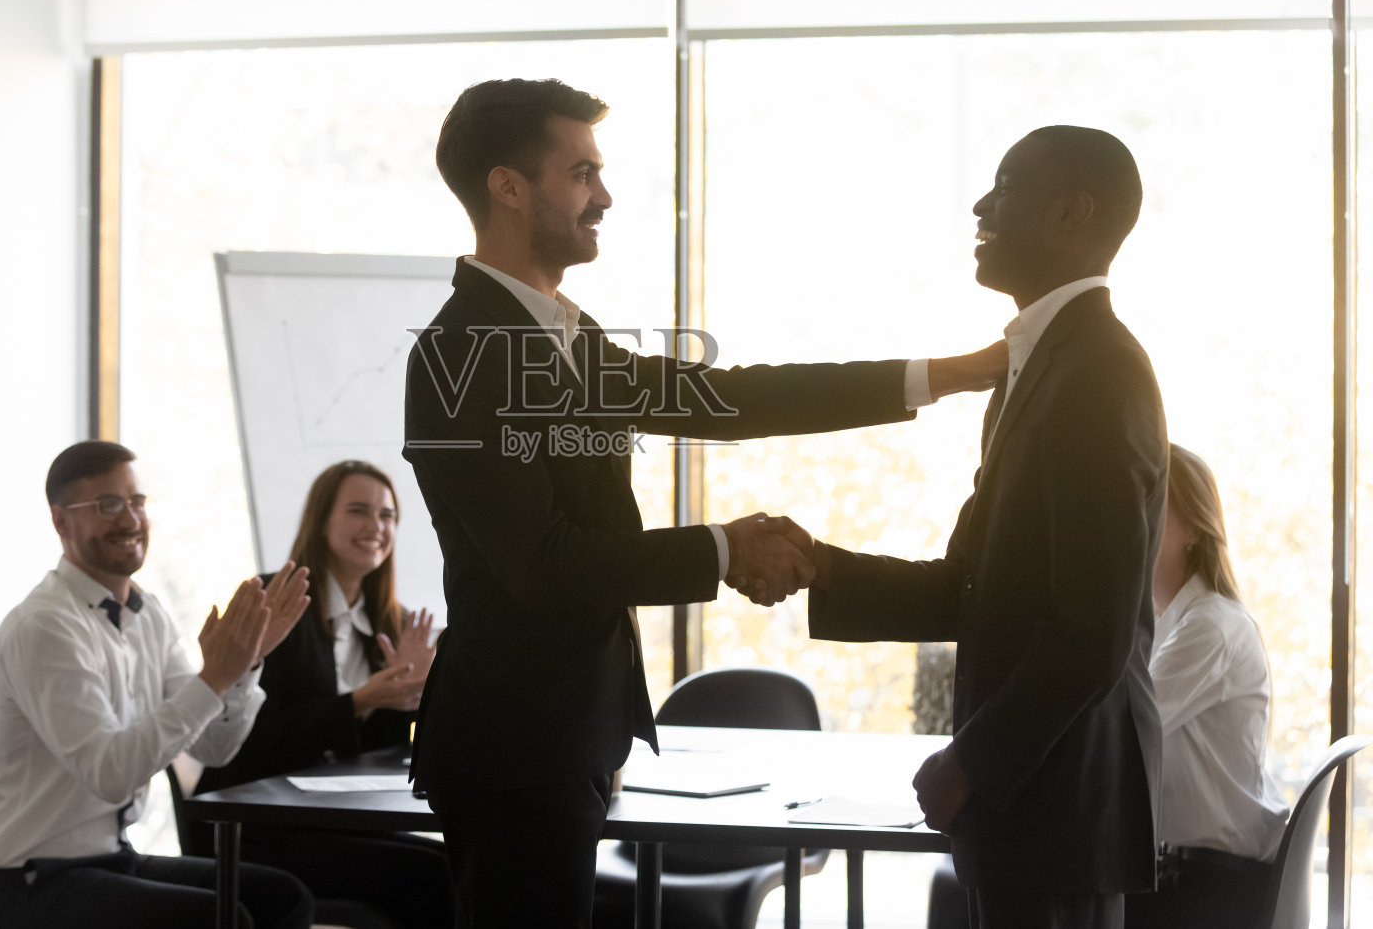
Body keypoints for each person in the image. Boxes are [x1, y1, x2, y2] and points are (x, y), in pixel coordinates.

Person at [402, 77, 1007, 926]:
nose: (604, 196)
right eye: (581, 174)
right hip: (513, 750)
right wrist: (724, 549)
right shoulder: (456, 353)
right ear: (507, 186)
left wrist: (948, 375)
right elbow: (543, 565)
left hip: (566, 738)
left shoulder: (567, 335)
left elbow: (731, 398)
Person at [785, 126, 1167, 929]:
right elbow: (974, 584)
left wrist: (972, 761)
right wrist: (824, 568)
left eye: (1004, 184)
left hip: (1056, 807)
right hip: (1031, 811)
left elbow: (1093, 627)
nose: (980, 204)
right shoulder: (1037, 368)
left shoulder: (1099, 370)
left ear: (1072, 212)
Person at [0, 440, 315, 929]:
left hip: (109, 858)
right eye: (108, 505)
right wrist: (215, 676)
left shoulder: (149, 615)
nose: (130, 520)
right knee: (222, 918)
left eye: (137, 502)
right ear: (62, 522)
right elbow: (111, 774)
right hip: (26, 881)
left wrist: (246, 666)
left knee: (282, 897)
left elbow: (214, 748)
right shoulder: (44, 627)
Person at [195, 460, 453, 928]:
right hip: (258, 824)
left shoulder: (389, 620)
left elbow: (378, 756)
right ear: (322, 519)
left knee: (456, 862)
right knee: (432, 875)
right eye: (359, 511)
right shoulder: (274, 602)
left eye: (388, 515)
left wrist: (413, 693)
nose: (376, 526)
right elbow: (246, 741)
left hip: (333, 819)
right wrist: (359, 701)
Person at [1124, 444, 1288, 929]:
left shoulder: (1209, 626)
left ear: (1194, 529)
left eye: (1154, 499)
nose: (1135, 513)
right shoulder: (1172, 625)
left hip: (1211, 892)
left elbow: (1123, 725)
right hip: (1191, 877)